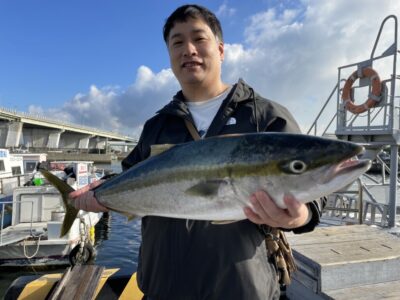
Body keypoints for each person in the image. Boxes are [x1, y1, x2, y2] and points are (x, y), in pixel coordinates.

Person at [70, 4, 324, 299]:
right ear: (169, 56)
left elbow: (314, 183)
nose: (188, 49)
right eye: (177, 42)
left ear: (220, 49)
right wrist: (103, 195)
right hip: (163, 287)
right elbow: (130, 180)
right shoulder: (157, 125)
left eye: (199, 39)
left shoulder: (263, 116)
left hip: (240, 288)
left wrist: (299, 217)